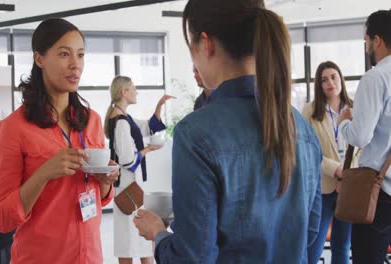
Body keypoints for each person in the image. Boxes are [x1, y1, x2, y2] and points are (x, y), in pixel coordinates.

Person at [133, 0, 322, 263]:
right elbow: (310, 232)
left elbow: (193, 259)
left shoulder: (196, 133)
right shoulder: (300, 126)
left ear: (206, 44)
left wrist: (159, 235)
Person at [0, 18, 118, 264]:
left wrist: (105, 182)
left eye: (80, 55)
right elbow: (1, 218)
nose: (75, 65)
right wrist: (44, 173)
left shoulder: (92, 121)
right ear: (40, 59)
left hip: (90, 257)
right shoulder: (13, 129)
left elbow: (101, 198)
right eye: (63, 54)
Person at [338, 9, 391, 264]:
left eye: (366, 40)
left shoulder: (376, 77)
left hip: (379, 192)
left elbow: (360, 137)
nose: (367, 45)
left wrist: (344, 123)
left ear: (377, 40)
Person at [104, 75, 173, 264]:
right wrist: (147, 150)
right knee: (133, 240)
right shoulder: (121, 122)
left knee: (132, 240)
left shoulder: (124, 118)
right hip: (129, 186)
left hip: (129, 185)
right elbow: (128, 161)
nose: (136, 92)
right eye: (133, 89)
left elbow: (147, 127)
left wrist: (159, 105)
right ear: (124, 92)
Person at [303, 61, 356, 264]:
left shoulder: (355, 108)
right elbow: (308, 150)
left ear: (340, 78)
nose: (330, 82)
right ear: (319, 85)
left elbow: (362, 147)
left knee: (342, 246)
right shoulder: (309, 111)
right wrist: (336, 170)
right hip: (322, 188)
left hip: (349, 188)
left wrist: (348, 175)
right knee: (313, 246)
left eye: (333, 77)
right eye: (324, 79)